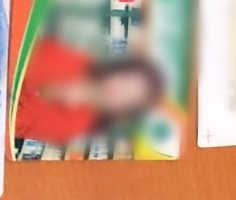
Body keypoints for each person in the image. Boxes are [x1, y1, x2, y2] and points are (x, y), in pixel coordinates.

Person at [13, 37, 167, 148]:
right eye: (124, 80)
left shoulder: (76, 124)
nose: (118, 91)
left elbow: (15, 123)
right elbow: (18, 54)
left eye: (126, 98)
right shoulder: (75, 58)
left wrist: (50, 95)